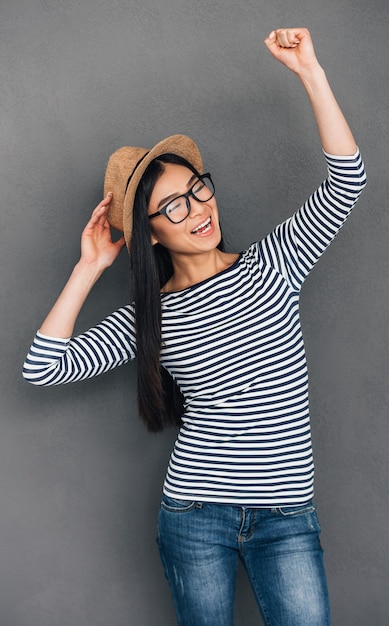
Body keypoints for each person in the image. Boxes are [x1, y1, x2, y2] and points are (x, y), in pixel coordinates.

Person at [23, 27, 366, 626]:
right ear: (149, 231)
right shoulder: (149, 316)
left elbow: (348, 181)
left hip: (287, 517)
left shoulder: (274, 260)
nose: (198, 210)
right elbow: (42, 367)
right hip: (194, 515)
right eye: (173, 206)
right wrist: (88, 267)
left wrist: (311, 72)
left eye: (197, 190)